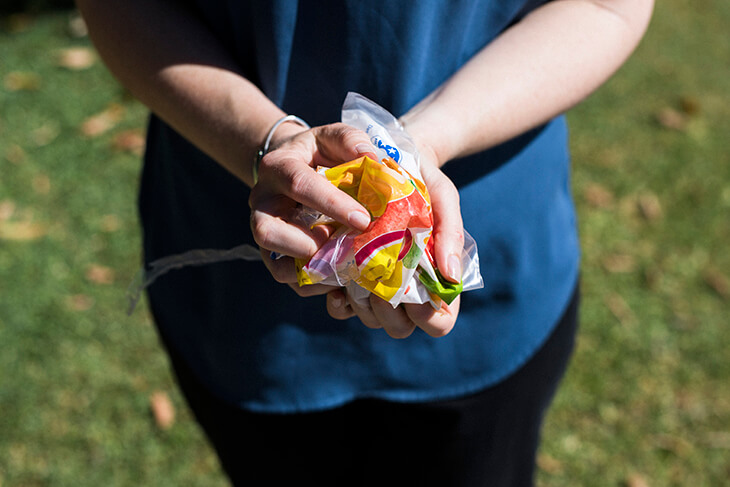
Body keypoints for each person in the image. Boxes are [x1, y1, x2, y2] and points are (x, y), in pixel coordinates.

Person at [76, 0, 654, 485]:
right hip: (241, 297)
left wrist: (425, 141)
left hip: (494, 283)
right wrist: (269, 143)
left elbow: (604, 6)